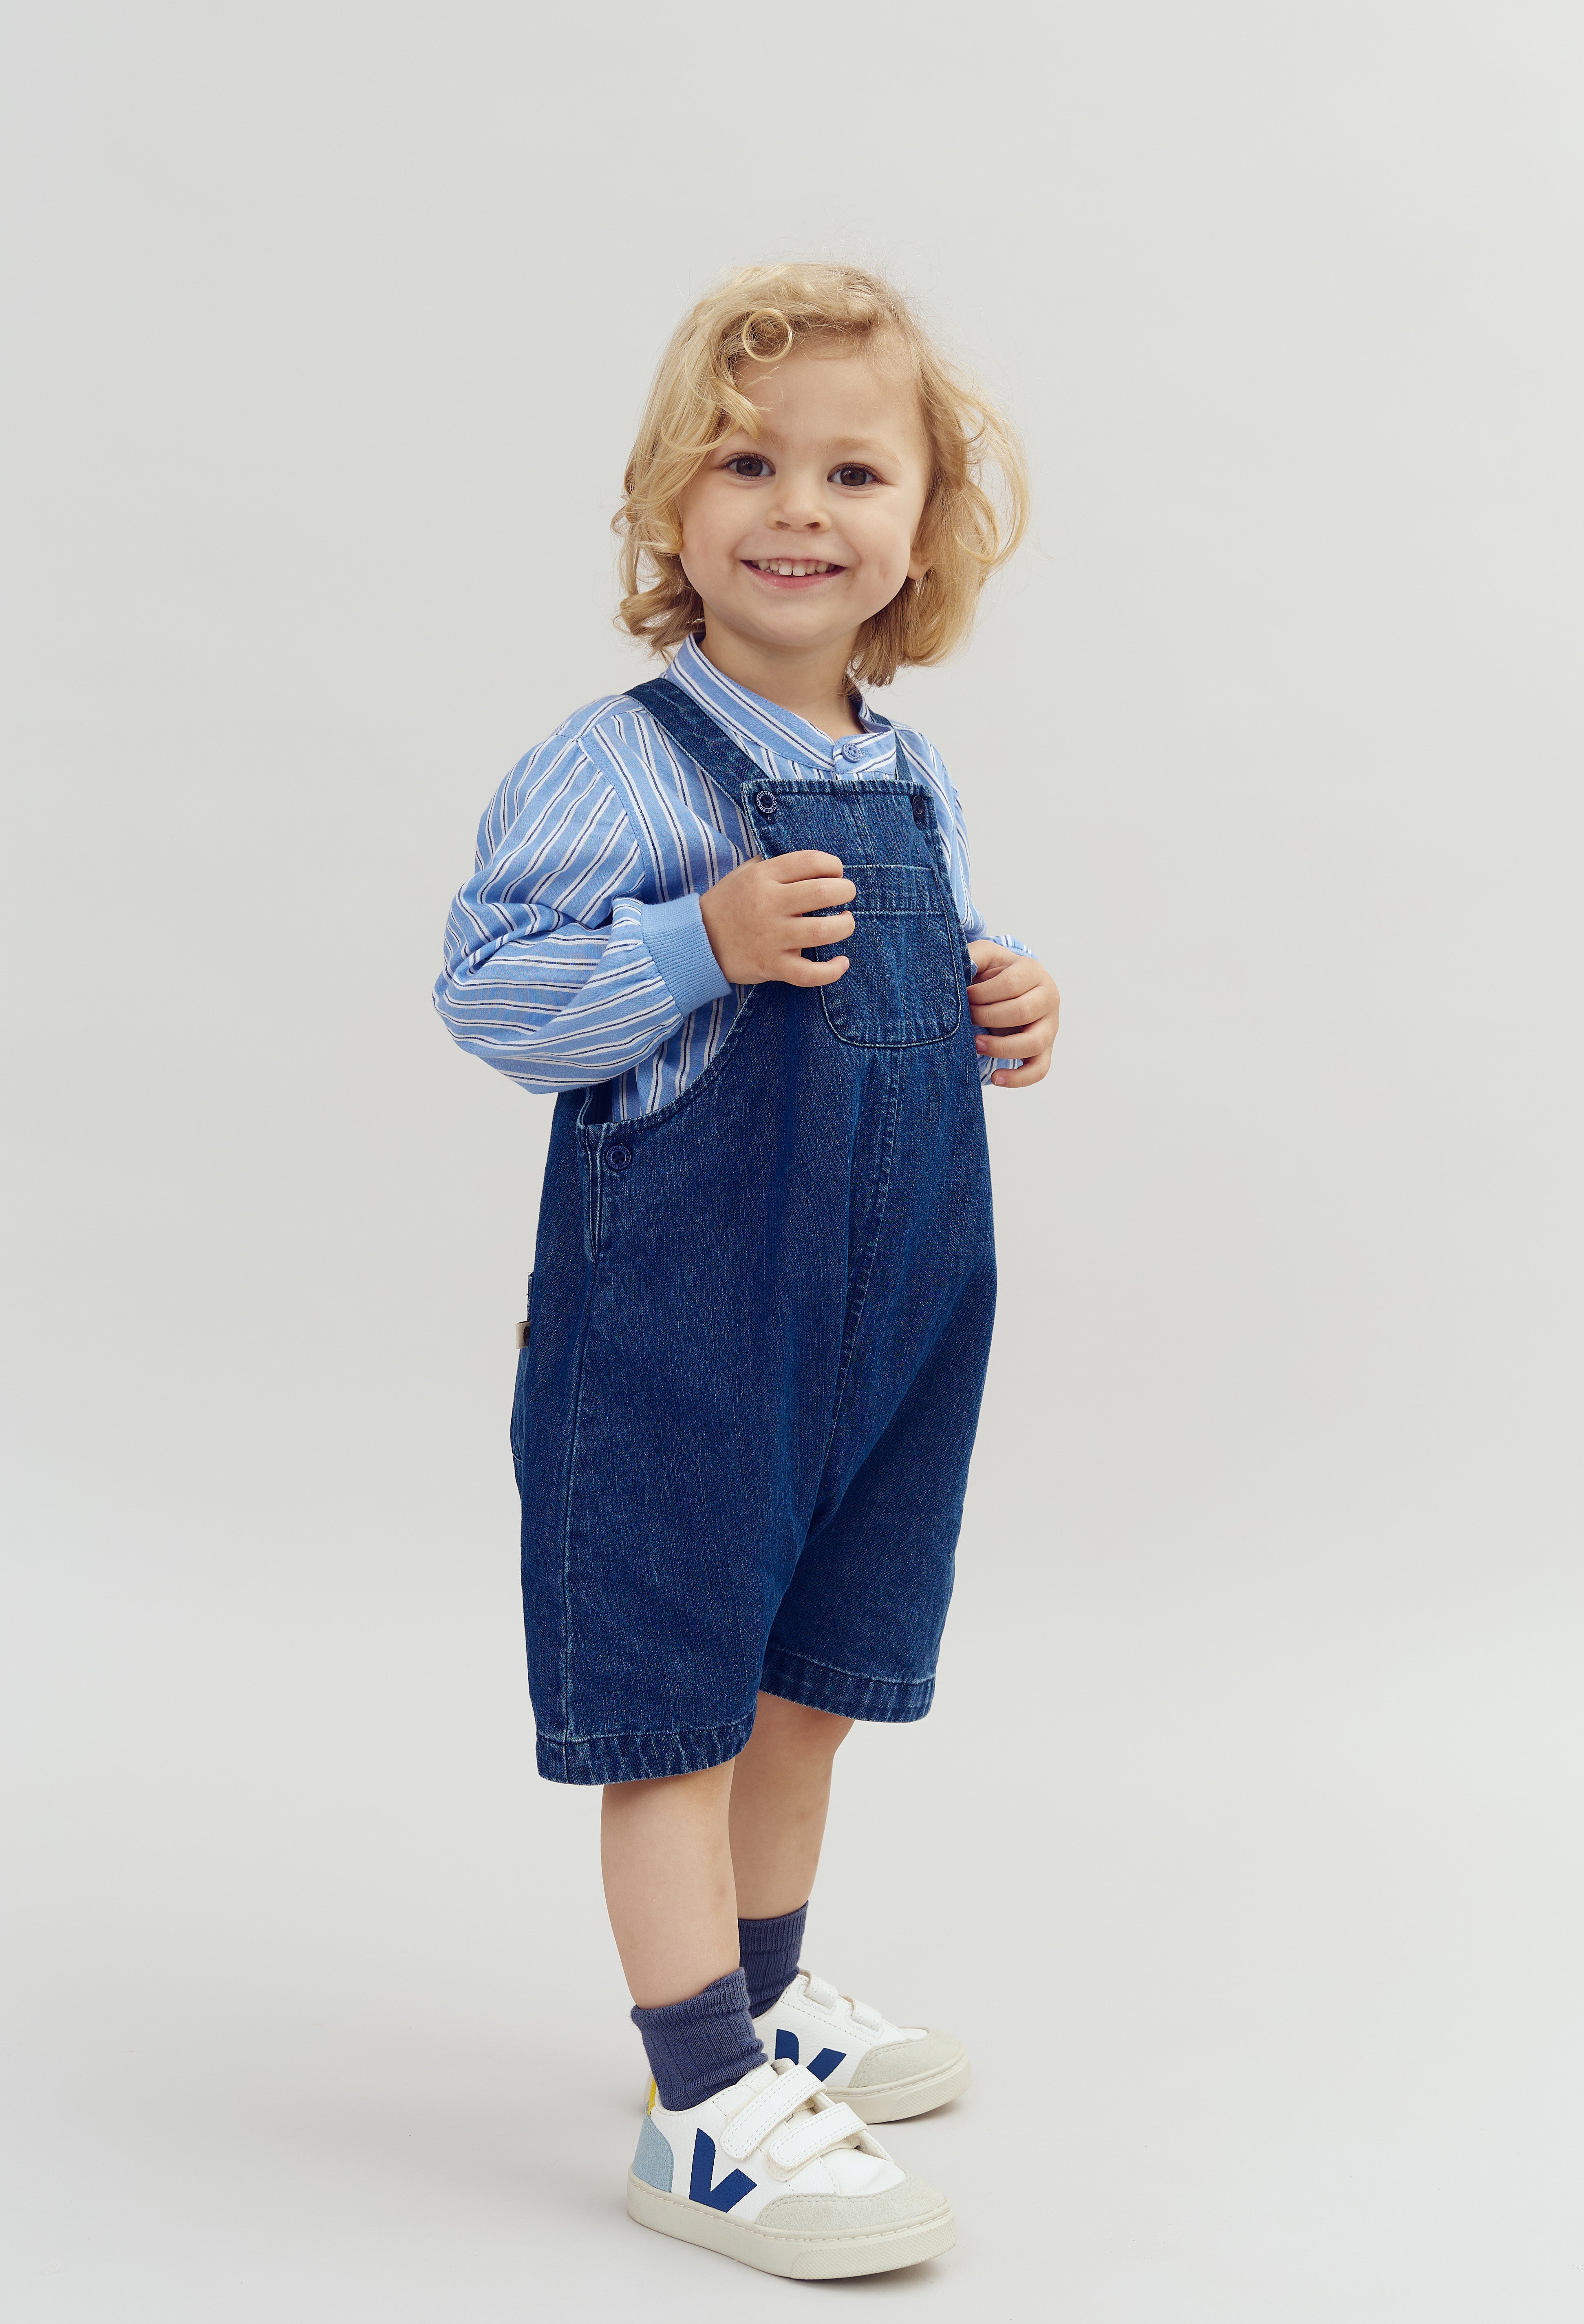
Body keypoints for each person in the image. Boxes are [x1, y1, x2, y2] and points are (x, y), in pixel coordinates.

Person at [434, 264, 1060, 2280]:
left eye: (852, 470)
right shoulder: (618, 770)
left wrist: (1002, 998)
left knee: (810, 1695)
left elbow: (906, 991)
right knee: (682, 1716)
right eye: (745, 460)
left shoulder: (906, 768)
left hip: (886, 1319)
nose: (798, 505)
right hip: (689, 1334)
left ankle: (763, 2000)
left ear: (916, 532)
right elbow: (492, 998)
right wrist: (689, 945)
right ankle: (696, 2102)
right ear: (669, 511)